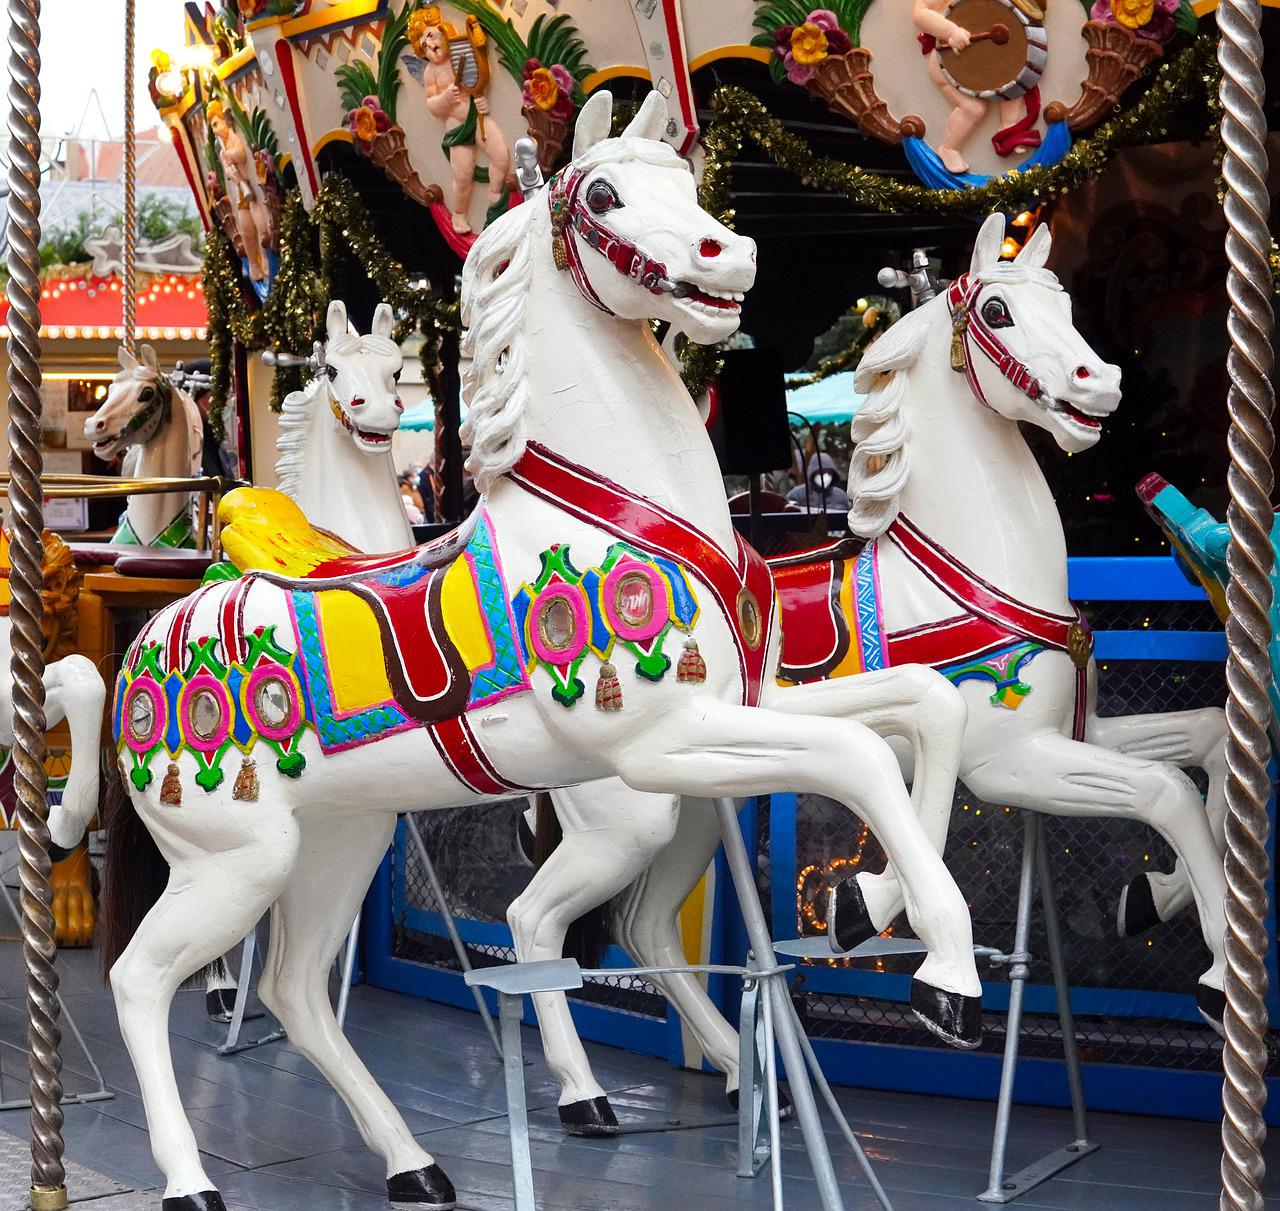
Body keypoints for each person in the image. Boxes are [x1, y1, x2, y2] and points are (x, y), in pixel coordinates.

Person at [912, 0, 1045, 175]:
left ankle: (1009, 129)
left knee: (1013, 78)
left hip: (988, 56)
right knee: (974, 108)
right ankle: (949, 148)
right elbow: (919, 13)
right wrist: (951, 31)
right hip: (948, 61)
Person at [410, 6, 511, 235]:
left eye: (431, 36)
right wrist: (445, 99)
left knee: (501, 157)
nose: (430, 46)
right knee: (463, 175)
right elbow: (431, 105)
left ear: (443, 31)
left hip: (477, 115)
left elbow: (477, 81)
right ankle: (459, 213)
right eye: (423, 46)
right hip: (456, 124)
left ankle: (496, 198)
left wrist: (482, 101)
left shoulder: (461, 54)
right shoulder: (431, 73)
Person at [207, 99, 272, 281]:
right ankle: (254, 263)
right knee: (245, 229)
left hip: (249, 186)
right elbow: (227, 169)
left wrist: (229, 156)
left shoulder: (234, 140)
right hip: (241, 189)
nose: (215, 130)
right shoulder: (222, 149)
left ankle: (265, 257)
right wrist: (229, 170)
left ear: (226, 121)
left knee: (259, 223)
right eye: (212, 126)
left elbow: (240, 154)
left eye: (216, 124)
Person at [787, 452, 852, 513]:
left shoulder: (841, 496)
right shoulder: (796, 495)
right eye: (821, 472)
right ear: (813, 473)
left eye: (829, 473)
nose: (825, 476)